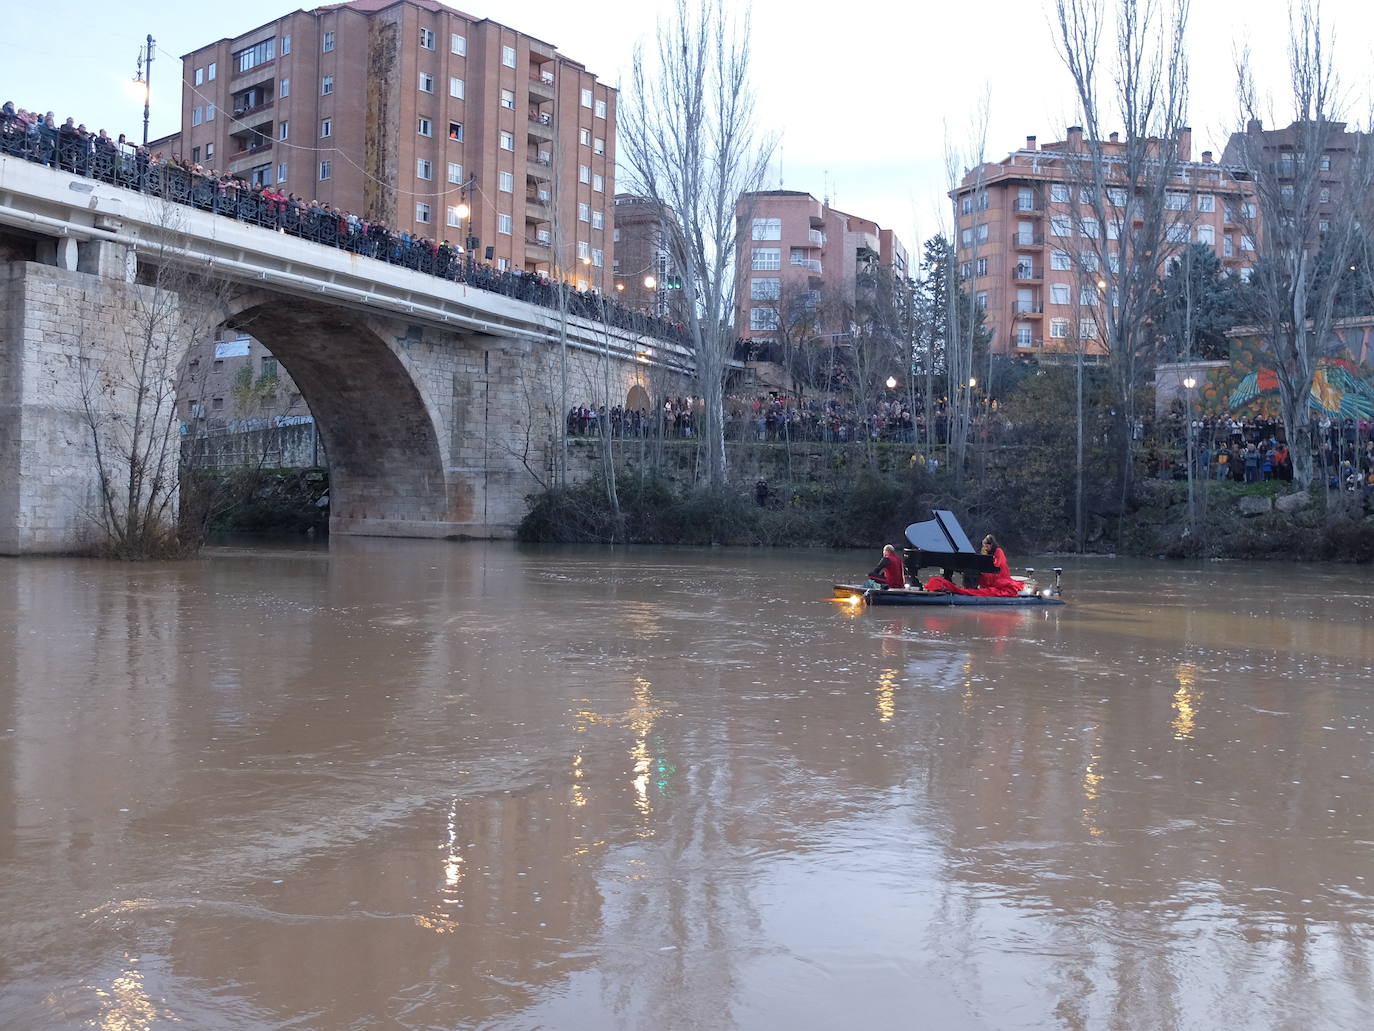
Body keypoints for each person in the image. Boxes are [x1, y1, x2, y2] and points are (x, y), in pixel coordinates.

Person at [924, 534, 1023, 597]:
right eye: (984, 546)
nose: (985, 548)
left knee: (980, 577)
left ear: (992, 545)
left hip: (999, 575)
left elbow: (997, 564)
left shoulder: (998, 550)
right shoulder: (986, 552)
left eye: (987, 546)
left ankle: (971, 589)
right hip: (990, 573)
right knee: (974, 574)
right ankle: (968, 588)